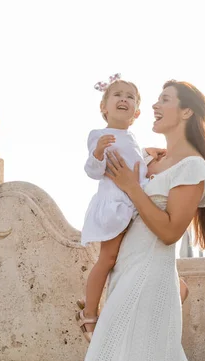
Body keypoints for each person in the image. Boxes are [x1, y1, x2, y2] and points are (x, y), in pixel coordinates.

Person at [73, 80, 205, 361]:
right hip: (124, 277)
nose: (155, 106)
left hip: (149, 282)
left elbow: (170, 232)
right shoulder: (150, 161)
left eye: (165, 100)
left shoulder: (193, 167)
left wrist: (131, 187)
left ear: (186, 112)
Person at [77, 76, 164, 342]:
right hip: (115, 204)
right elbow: (93, 171)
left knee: (127, 259)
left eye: (130, 96)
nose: (123, 99)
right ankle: (89, 313)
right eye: (117, 95)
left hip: (133, 203)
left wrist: (149, 155)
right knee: (108, 258)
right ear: (104, 107)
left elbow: (135, 165)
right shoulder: (99, 135)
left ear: (136, 112)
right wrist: (98, 153)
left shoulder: (132, 138)